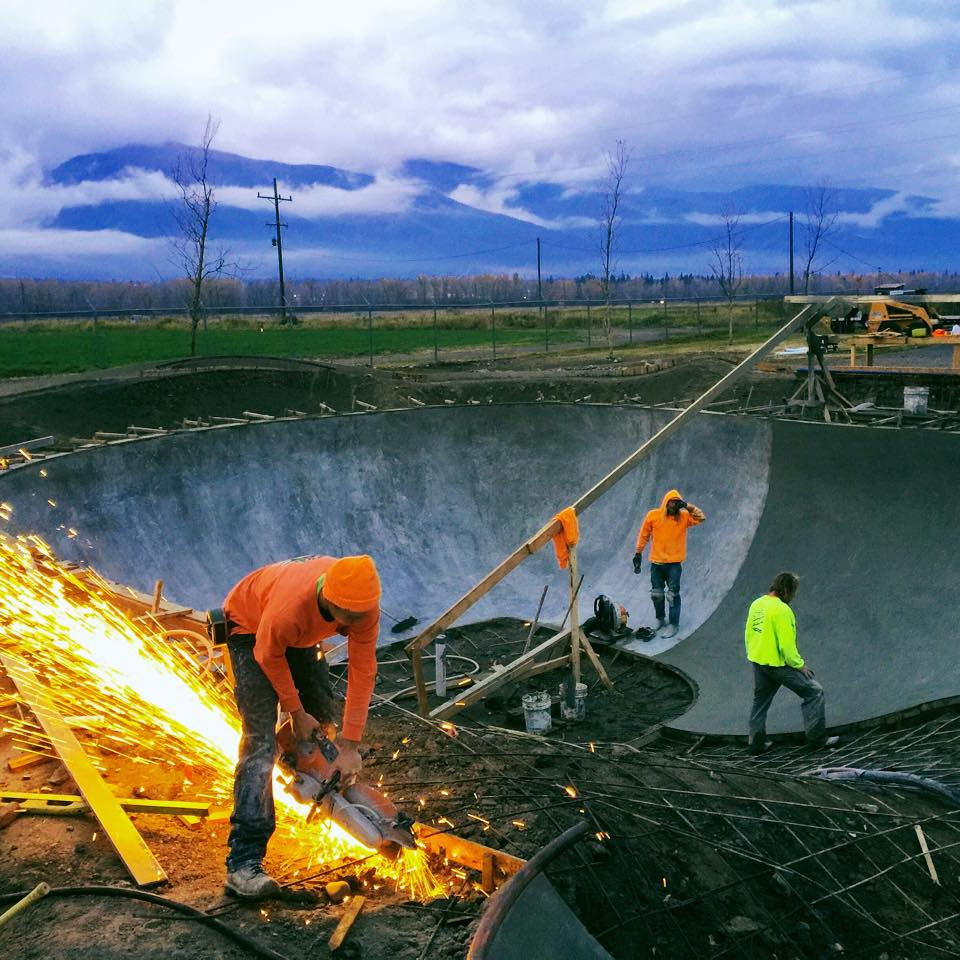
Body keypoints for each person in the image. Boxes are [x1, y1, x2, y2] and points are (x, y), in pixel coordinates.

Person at [220, 554, 381, 899]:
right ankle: (243, 863)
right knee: (260, 744)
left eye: (360, 618)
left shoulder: (363, 608)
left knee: (324, 721)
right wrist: (294, 711)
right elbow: (267, 656)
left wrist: (350, 747)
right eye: (347, 619)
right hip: (250, 628)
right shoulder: (289, 610)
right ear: (328, 600)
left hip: (299, 637)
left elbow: (363, 672)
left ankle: (312, 776)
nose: (354, 627)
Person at [744, 571, 839, 754]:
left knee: (760, 703)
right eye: (793, 592)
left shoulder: (757, 604)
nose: (793, 597)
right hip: (778, 665)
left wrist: (754, 654)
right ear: (786, 590)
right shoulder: (782, 610)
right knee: (814, 692)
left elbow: (749, 632)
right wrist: (800, 665)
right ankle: (817, 739)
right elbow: (787, 646)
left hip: (758, 661)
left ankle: (756, 744)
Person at [632, 488, 705, 638]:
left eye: (676, 503)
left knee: (672, 595)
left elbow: (701, 517)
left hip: (674, 565)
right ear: (666, 503)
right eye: (671, 503)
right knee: (657, 594)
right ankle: (660, 619)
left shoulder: (684, 517)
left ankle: (673, 624)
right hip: (657, 563)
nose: (673, 506)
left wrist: (687, 506)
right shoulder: (654, 515)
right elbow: (644, 534)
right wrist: (638, 552)